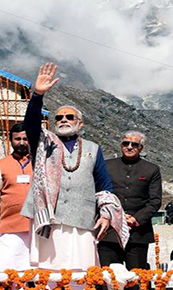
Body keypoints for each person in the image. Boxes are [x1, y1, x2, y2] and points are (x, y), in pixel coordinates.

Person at [21, 62, 127, 271]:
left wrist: (106, 214)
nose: (63, 120)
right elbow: (30, 125)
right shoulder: (44, 142)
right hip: (51, 221)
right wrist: (38, 95)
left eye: (69, 117)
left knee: (81, 273)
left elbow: (104, 186)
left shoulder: (93, 148)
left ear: (80, 123)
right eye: (59, 117)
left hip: (82, 222)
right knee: (49, 274)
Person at [98, 131, 162, 271]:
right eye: (126, 143)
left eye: (134, 144)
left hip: (137, 233)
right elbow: (100, 193)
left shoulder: (151, 169)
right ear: (121, 145)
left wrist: (135, 219)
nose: (129, 147)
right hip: (109, 232)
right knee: (109, 278)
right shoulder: (107, 166)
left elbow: (155, 201)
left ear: (141, 148)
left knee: (136, 278)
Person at [0, 123, 35, 271]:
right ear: (10, 140)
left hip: (37, 230)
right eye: (17, 139)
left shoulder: (39, 163)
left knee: (38, 276)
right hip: (9, 229)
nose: (22, 143)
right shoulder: (0, 165)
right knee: (5, 274)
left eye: (25, 139)